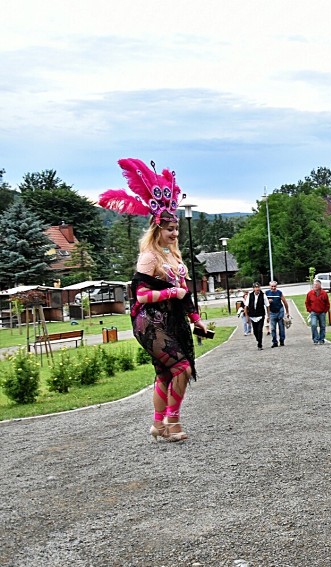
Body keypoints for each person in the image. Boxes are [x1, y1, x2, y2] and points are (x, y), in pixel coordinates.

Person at [99, 158, 208, 442]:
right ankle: (172, 423)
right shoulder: (149, 257)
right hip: (149, 322)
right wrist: (172, 292)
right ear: (156, 229)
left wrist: (197, 322)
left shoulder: (175, 257)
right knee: (181, 367)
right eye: (169, 228)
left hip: (171, 320)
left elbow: (186, 297)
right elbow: (142, 295)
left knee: (164, 374)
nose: (174, 233)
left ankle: (158, 425)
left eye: (176, 228)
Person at [265, 280, 290, 347]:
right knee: (273, 328)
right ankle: (274, 342)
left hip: (280, 311)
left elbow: (285, 302)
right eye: (272, 286)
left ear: (276, 286)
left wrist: (287, 312)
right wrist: (268, 301)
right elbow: (264, 303)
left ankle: (282, 340)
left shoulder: (279, 293)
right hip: (272, 312)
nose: (273, 288)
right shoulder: (266, 293)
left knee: (281, 327)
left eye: (274, 286)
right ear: (269, 286)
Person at [304, 279, 330, 345]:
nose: (315, 286)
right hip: (313, 312)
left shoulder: (324, 293)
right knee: (313, 325)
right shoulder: (310, 293)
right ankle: (315, 339)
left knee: (322, 326)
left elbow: (327, 303)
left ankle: (321, 339)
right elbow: (307, 302)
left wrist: (325, 311)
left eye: (316, 285)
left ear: (319, 285)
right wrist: (309, 310)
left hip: (322, 312)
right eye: (314, 285)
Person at [245, 283, 269, 350]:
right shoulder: (250, 295)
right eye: (255, 288)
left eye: (258, 287)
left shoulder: (263, 295)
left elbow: (267, 305)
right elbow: (246, 306)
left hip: (260, 315)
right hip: (252, 315)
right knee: (255, 331)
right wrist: (247, 316)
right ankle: (258, 340)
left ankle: (260, 345)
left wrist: (268, 316)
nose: (257, 289)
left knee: (259, 330)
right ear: (253, 289)